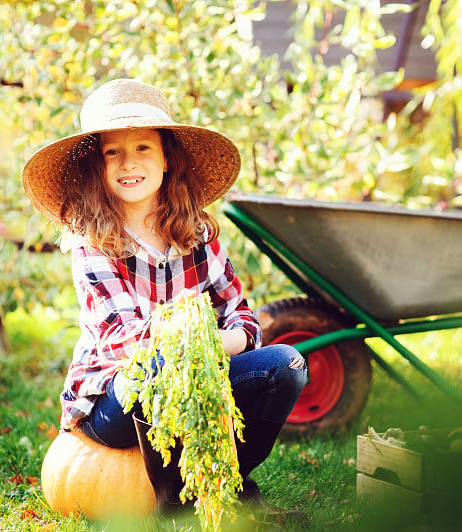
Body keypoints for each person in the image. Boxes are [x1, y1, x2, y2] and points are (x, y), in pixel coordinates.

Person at [21, 78, 307, 522]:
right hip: (115, 399)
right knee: (157, 366)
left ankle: (226, 481)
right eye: (111, 152)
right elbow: (125, 343)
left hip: (196, 375)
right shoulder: (92, 242)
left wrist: (212, 344)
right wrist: (196, 340)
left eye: (142, 148)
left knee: (285, 366)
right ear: (97, 167)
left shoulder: (196, 234)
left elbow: (243, 317)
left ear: (167, 158)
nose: (127, 163)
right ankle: (176, 503)